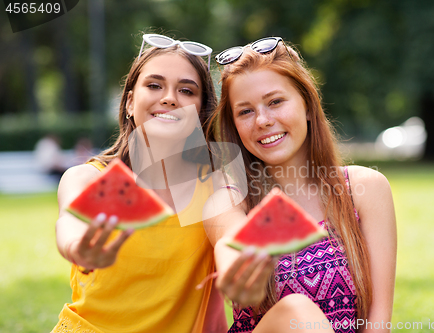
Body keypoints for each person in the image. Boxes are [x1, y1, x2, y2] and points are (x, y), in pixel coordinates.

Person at [203, 37, 397, 332]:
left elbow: (378, 320)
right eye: (245, 111)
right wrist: (236, 268)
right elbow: (230, 244)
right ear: (234, 125)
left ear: (307, 105)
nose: (263, 120)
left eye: (275, 102)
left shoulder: (366, 189)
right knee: (297, 311)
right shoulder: (228, 202)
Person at [52, 34, 227, 333]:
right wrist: (76, 246)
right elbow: (71, 221)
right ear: (131, 102)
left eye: (186, 90)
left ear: (201, 112)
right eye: (154, 85)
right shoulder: (88, 178)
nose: (169, 97)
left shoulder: (215, 191)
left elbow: (213, 306)